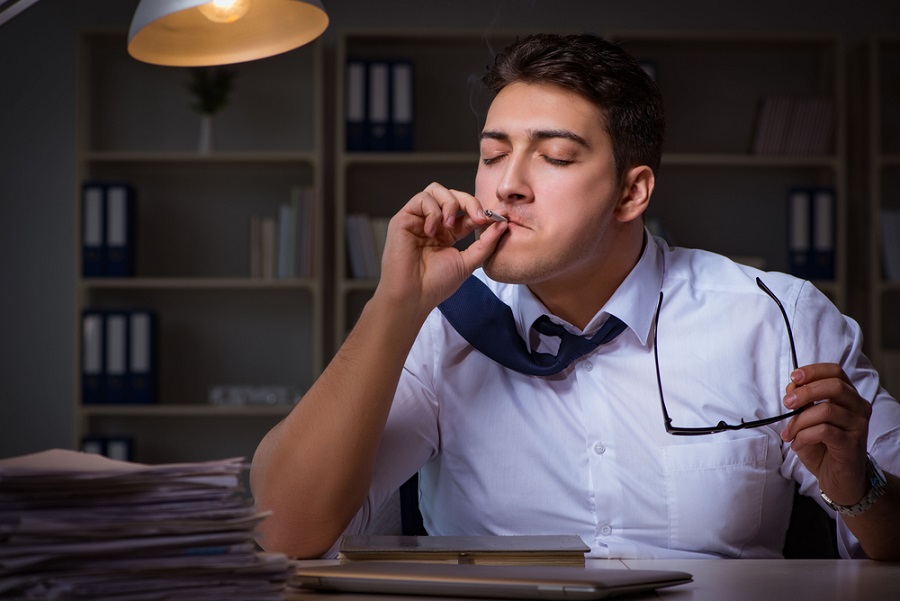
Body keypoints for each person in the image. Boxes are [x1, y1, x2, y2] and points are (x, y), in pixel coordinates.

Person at [250, 33, 899, 561]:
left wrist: (858, 485)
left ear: (630, 192)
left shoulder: (773, 315)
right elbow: (284, 532)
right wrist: (394, 305)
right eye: (492, 154)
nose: (508, 185)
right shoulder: (440, 323)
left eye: (554, 157)